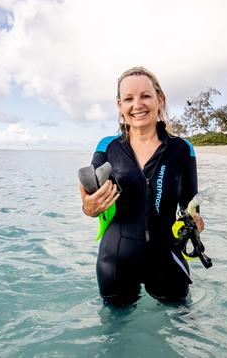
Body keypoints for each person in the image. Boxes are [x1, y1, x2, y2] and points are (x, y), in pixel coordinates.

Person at [79, 66, 204, 305]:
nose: (137, 105)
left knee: (181, 332)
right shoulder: (108, 147)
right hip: (116, 262)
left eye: (145, 96)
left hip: (167, 259)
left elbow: (191, 207)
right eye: (128, 98)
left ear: (159, 99)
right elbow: (89, 195)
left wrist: (195, 223)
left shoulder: (181, 149)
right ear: (120, 106)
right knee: (116, 337)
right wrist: (88, 207)